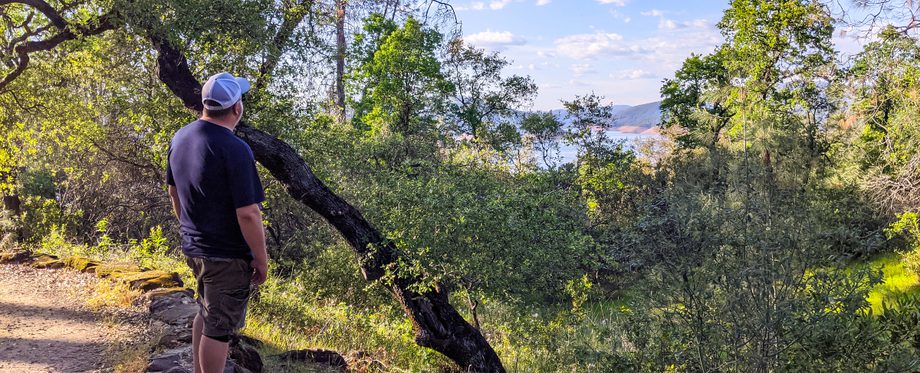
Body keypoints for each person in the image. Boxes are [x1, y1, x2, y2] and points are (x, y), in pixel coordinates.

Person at [165, 72, 269, 373]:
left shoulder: (181, 137)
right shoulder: (235, 149)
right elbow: (248, 213)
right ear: (236, 108)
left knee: (206, 312)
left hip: (195, 248)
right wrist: (261, 259)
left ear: (205, 104)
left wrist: (192, 229)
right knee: (219, 330)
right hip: (226, 256)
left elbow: (174, 193)